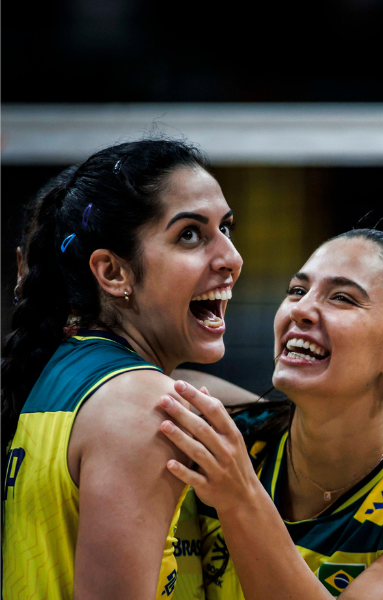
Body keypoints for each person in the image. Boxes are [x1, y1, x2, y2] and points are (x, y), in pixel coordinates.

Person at [156, 229, 383, 600]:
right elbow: (161, 380)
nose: (301, 310)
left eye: (342, 298)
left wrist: (240, 496)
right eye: (297, 290)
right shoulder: (234, 435)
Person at [2, 139, 242, 599]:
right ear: (113, 273)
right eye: (190, 234)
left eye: (226, 228)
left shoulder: (63, 372)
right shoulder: (140, 404)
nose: (231, 258)